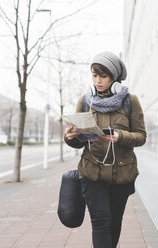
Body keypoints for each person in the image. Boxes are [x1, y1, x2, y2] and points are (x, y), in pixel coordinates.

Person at [64, 51, 147, 248]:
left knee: (114, 221)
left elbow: (141, 136)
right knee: (100, 221)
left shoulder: (130, 101)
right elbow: (79, 141)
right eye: (94, 75)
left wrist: (121, 136)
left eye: (103, 76)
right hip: (92, 172)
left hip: (122, 173)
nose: (98, 81)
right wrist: (70, 138)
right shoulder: (85, 101)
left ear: (114, 78)